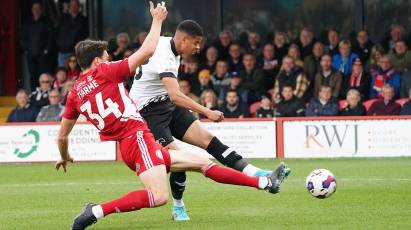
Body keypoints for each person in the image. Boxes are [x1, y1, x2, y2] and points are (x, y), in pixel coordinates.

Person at [56, 4, 288, 229]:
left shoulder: (74, 94)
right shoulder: (104, 72)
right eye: (107, 56)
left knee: (203, 163)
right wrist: (157, 20)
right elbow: (147, 51)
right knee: (157, 197)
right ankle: (95, 211)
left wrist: (64, 156)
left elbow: (63, 137)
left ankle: (266, 183)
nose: (109, 59)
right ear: (97, 62)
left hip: (134, 142)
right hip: (137, 139)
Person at [129, 18, 278, 221]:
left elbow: (170, 95)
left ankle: (257, 173)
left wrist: (157, 19)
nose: (199, 47)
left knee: (208, 139)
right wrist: (207, 111)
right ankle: (178, 206)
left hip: (165, 104)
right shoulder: (165, 56)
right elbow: (175, 94)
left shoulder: (167, 44)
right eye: (196, 42)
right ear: (183, 39)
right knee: (181, 159)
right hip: (148, 114)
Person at [21, 2, 53, 91]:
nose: (36, 11)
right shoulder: (28, 22)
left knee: (43, 75)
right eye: (35, 9)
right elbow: (23, 37)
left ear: (41, 10)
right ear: (32, 10)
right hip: (31, 54)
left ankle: (44, 93)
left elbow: (50, 36)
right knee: (33, 75)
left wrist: (47, 49)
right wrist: (26, 49)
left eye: (38, 9)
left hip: (42, 54)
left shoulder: (46, 21)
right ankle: (34, 93)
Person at [56, 0, 88, 67]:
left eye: (75, 5)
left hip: (74, 52)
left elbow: (85, 35)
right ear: (69, 7)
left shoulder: (82, 19)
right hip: (62, 51)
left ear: (78, 7)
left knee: (73, 72)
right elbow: (58, 32)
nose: (73, 7)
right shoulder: (63, 18)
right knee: (62, 72)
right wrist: (59, 44)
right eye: (71, 5)